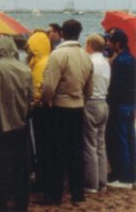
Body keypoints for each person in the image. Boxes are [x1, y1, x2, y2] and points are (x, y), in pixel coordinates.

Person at [40, 19, 93, 205]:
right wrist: (80, 99)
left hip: (60, 107)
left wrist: (47, 101)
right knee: (76, 152)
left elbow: (48, 86)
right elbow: (89, 89)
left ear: (62, 33)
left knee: (56, 153)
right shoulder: (86, 56)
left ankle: (55, 196)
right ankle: (78, 193)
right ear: (79, 34)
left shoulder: (58, 55)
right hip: (77, 107)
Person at [0, 35, 33, 211]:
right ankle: (22, 204)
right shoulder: (25, 69)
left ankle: (0, 204)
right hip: (21, 124)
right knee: (21, 168)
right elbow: (30, 98)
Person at [105, 28, 136, 189]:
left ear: (117, 43)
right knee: (130, 139)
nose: (108, 44)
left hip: (119, 104)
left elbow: (113, 84)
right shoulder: (130, 58)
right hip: (130, 103)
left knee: (121, 140)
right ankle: (131, 174)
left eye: (110, 42)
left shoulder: (119, 61)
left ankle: (123, 176)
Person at [25, 30, 52, 195]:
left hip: (41, 108)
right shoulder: (38, 61)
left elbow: (40, 86)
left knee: (42, 146)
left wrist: (35, 99)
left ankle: (43, 181)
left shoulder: (42, 64)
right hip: (40, 107)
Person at [83, 33, 110, 193]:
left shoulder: (90, 62)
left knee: (90, 145)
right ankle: (102, 181)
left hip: (92, 102)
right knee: (100, 143)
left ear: (90, 45)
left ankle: (91, 183)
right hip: (103, 102)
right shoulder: (106, 62)